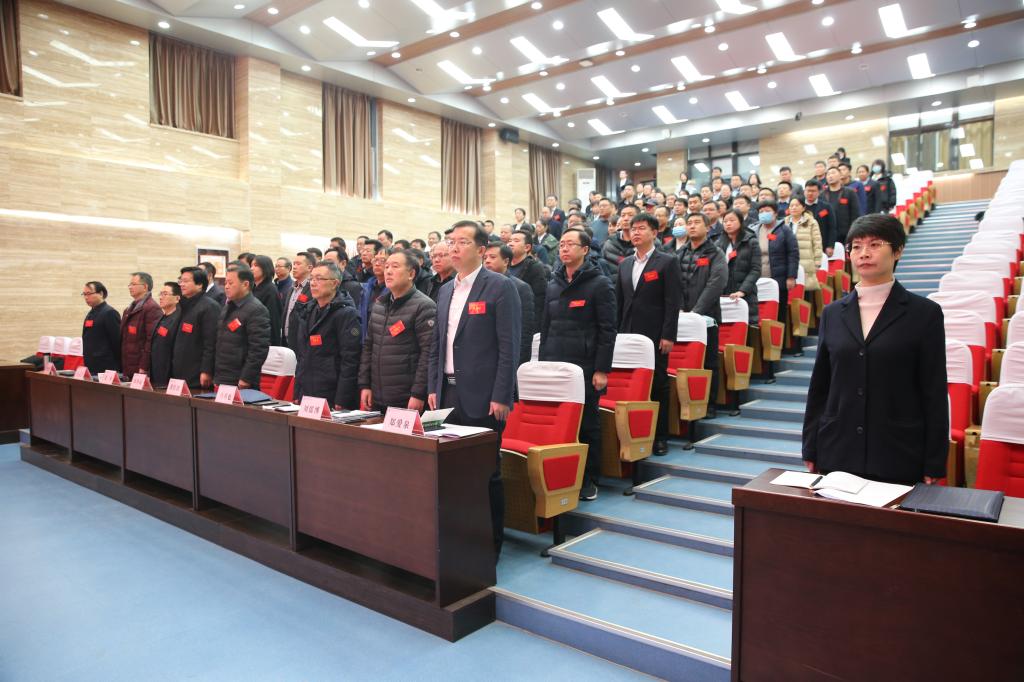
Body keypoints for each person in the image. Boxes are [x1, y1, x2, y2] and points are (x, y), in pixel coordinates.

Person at [802, 214, 948, 484]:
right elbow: (820, 386)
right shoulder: (833, 313)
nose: (864, 253)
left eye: (875, 244)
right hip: (838, 449)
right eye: (856, 246)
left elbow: (934, 391)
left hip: (898, 453)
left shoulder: (924, 314)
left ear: (898, 251)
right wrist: (810, 446)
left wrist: (935, 461)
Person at [428, 221, 521, 558]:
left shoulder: (500, 287)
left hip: (485, 396)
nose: (454, 247)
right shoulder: (444, 290)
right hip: (447, 394)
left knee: (485, 472)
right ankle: (458, 540)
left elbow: (509, 346)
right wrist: (433, 386)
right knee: (451, 471)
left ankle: (490, 546)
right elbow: (438, 344)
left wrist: (502, 395)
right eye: (451, 241)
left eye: (462, 242)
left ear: (481, 250)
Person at [540, 228, 616, 500]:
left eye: (570, 244)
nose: (564, 248)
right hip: (555, 364)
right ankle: (562, 477)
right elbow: (546, 327)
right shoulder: (553, 283)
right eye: (561, 244)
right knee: (558, 423)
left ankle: (589, 479)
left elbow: (608, 330)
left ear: (585, 250)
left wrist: (602, 369)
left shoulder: (600, 284)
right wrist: (542, 364)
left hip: (585, 366)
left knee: (587, 424)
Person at [616, 213, 682, 454]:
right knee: (632, 385)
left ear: (654, 233)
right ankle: (635, 435)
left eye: (641, 228)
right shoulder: (625, 264)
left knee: (658, 385)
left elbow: (672, 302)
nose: (635, 232)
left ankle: (660, 436)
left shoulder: (667, 262)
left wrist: (668, 335)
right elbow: (620, 302)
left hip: (655, 334)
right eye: (633, 228)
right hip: (628, 334)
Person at [358, 252, 436, 412]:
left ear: (411, 274)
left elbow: (428, 352)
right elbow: (368, 347)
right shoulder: (379, 304)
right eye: (386, 266)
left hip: (407, 397)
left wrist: (418, 393)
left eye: (395, 266)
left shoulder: (424, 306)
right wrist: (365, 385)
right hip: (377, 395)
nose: (388, 271)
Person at [677, 212, 728, 417]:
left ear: (708, 228)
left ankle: (709, 404)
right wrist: (680, 309)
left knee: (708, 362)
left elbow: (716, 284)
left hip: (706, 317)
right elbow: (673, 283)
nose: (692, 226)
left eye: (697, 222)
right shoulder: (680, 253)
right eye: (689, 223)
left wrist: (695, 313)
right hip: (681, 317)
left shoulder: (716, 253)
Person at [294, 262, 361, 409]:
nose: (313, 283)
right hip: (307, 389)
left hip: (331, 392)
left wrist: (342, 399)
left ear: (335, 283)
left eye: (319, 279)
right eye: (311, 279)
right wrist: (297, 392)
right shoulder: (308, 310)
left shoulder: (346, 314)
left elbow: (350, 360)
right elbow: (302, 356)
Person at [213, 266, 271, 389]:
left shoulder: (257, 310)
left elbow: (259, 349)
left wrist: (246, 378)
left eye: (230, 283)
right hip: (223, 375)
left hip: (240, 379)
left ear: (245, 284)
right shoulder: (228, 306)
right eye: (225, 283)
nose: (226, 287)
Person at [484, 243, 536, 366]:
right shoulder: (480, 286)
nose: (487, 261)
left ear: (506, 261)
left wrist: (519, 362)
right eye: (485, 257)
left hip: (508, 358)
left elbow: (525, 331)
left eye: (492, 257)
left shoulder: (520, 288)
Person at [756, 200, 800, 332]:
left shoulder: (784, 230)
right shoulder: (755, 230)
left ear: (775, 213)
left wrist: (791, 276)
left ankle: (778, 341)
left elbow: (793, 253)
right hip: (758, 279)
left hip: (778, 279)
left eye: (767, 211)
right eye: (761, 211)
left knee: (779, 314)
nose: (764, 214)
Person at [173, 267, 220, 389]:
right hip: (179, 369)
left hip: (197, 373)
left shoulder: (209, 307)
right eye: (180, 281)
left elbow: (211, 342)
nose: (181, 284)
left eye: (186, 281)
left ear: (199, 285)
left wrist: (206, 370)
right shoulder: (182, 305)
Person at [713, 209, 761, 326]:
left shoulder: (751, 242)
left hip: (745, 295)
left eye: (732, 220)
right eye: (725, 221)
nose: (728, 224)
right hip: (723, 294)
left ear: (740, 221)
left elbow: (755, 269)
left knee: (745, 330)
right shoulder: (718, 244)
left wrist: (742, 291)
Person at [120, 272, 162, 377]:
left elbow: (150, 340)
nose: (130, 287)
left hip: (140, 367)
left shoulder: (152, 308)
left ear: (145, 287)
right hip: (128, 363)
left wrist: (144, 366)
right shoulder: (129, 309)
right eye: (129, 284)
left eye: (133, 284)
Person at [785, 197, 824, 299]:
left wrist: (817, 262)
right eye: (791, 206)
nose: (793, 208)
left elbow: (817, 243)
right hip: (788, 262)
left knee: (806, 293)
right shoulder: (784, 222)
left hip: (807, 261)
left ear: (803, 208)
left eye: (797, 205)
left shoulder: (811, 222)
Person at [507, 231, 548, 324]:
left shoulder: (534, 267)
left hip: (524, 319)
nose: (510, 244)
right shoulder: (504, 265)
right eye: (510, 241)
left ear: (527, 247)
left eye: (516, 241)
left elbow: (539, 299)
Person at [81, 281, 121, 374]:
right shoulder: (91, 313)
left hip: (106, 366)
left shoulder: (110, 313)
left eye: (89, 294)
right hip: (91, 364)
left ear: (101, 294)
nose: (86, 297)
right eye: (84, 294)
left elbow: (117, 342)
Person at [149, 282, 181, 387]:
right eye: (161, 294)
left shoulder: (179, 319)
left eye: (165, 294)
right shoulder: (162, 317)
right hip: (156, 371)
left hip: (169, 374)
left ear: (177, 298)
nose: (161, 297)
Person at [822, 167, 862, 247]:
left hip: (846, 234)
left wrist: (853, 232)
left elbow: (855, 214)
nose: (830, 176)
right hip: (827, 236)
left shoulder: (849, 192)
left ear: (840, 176)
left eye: (833, 173)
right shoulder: (822, 195)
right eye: (828, 174)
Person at [283, 251, 314, 347]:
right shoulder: (292, 288)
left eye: (298, 264)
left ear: (309, 268)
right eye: (294, 264)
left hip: (302, 343)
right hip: (287, 340)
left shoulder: (313, 289)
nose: (294, 267)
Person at [251, 255, 283, 346]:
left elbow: (273, 320)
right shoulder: (254, 288)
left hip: (265, 340)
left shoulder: (270, 290)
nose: (251, 268)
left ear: (265, 268)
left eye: (256, 265)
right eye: (251, 265)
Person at [359, 246, 388, 338]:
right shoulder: (366, 288)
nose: (377, 264)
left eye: (383, 260)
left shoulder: (395, 291)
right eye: (375, 260)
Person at [804, 179, 837, 255]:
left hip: (822, 244)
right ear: (804, 191)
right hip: (803, 245)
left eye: (813, 191)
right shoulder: (798, 206)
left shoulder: (826, 207)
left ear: (819, 192)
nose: (810, 193)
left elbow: (832, 228)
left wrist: (830, 246)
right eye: (808, 191)